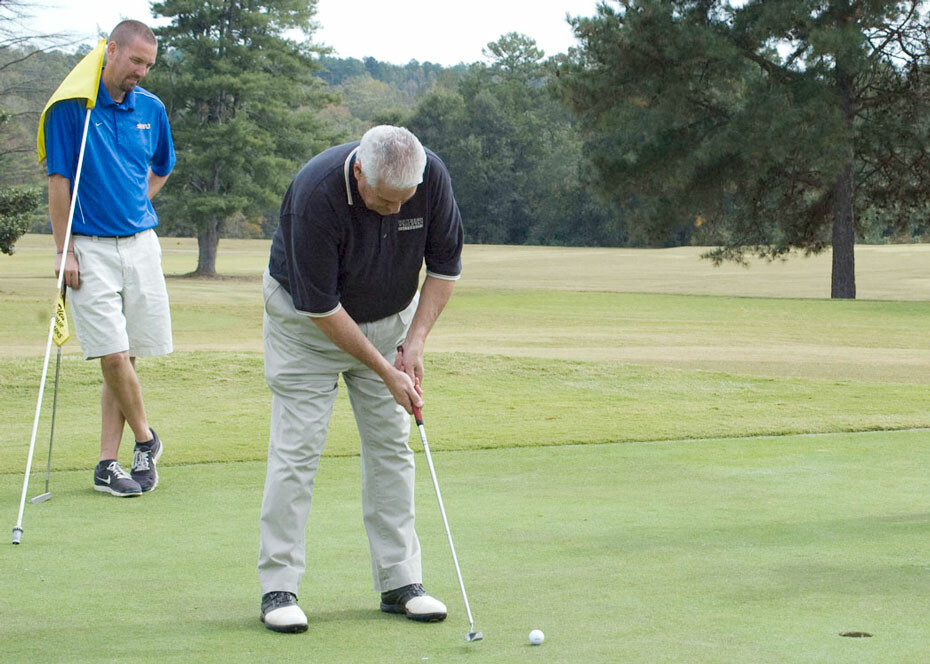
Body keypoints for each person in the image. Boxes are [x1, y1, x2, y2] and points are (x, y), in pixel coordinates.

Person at [258, 125, 464, 633]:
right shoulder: (316, 194)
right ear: (358, 173)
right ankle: (278, 588)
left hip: (391, 316)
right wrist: (384, 370)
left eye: (404, 201)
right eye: (384, 201)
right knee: (297, 451)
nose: (395, 211)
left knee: (393, 448)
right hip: (306, 326)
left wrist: (413, 344)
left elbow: (444, 269)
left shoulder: (430, 177)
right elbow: (321, 307)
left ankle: (401, 582)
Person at [45, 20, 176, 497]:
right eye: (135, 61)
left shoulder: (152, 109)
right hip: (89, 247)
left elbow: (162, 166)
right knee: (113, 354)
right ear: (112, 50)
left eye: (148, 65)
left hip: (141, 244)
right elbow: (60, 181)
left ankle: (107, 464)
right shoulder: (72, 108)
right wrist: (65, 250)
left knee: (128, 357)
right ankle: (147, 439)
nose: (140, 72)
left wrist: (138, 202)